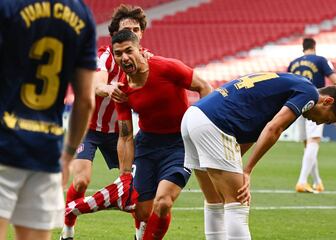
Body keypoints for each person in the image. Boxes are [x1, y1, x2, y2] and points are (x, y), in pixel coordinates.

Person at [181, 72, 336, 239]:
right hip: (214, 122)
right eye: (329, 119)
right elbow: (274, 129)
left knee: (215, 201)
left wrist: (237, 167)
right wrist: (247, 171)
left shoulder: (295, 83)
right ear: (327, 101)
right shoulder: (309, 94)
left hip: (194, 116)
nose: (320, 123)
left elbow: (251, 133)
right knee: (238, 204)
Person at [0, 1, 97, 240]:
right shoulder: (82, 15)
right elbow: (86, 100)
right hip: (46, 153)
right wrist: (67, 155)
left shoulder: (8, 6)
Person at [60, 4, 151, 240]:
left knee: (136, 186)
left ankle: (139, 235)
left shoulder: (148, 61)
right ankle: (67, 229)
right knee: (81, 181)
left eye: (136, 28)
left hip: (120, 133)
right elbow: (96, 84)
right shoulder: (105, 57)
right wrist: (108, 88)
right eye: (126, 28)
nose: (132, 31)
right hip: (88, 127)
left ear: (141, 33)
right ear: (114, 35)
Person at [113, 29, 212, 240]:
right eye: (118, 53)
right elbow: (126, 136)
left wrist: (201, 131)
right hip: (146, 146)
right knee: (140, 211)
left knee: (164, 201)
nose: (124, 57)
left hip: (180, 144)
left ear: (140, 49)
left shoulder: (167, 67)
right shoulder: (121, 89)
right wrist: (124, 176)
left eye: (128, 50)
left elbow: (204, 88)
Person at [287, 37, 336, 193]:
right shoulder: (320, 60)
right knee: (314, 142)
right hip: (315, 104)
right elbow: (335, 80)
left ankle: (318, 182)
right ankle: (302, 181)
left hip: (295, 103)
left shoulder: (293, 63)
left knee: (308, 146)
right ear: (314, 47)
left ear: (303, 48)